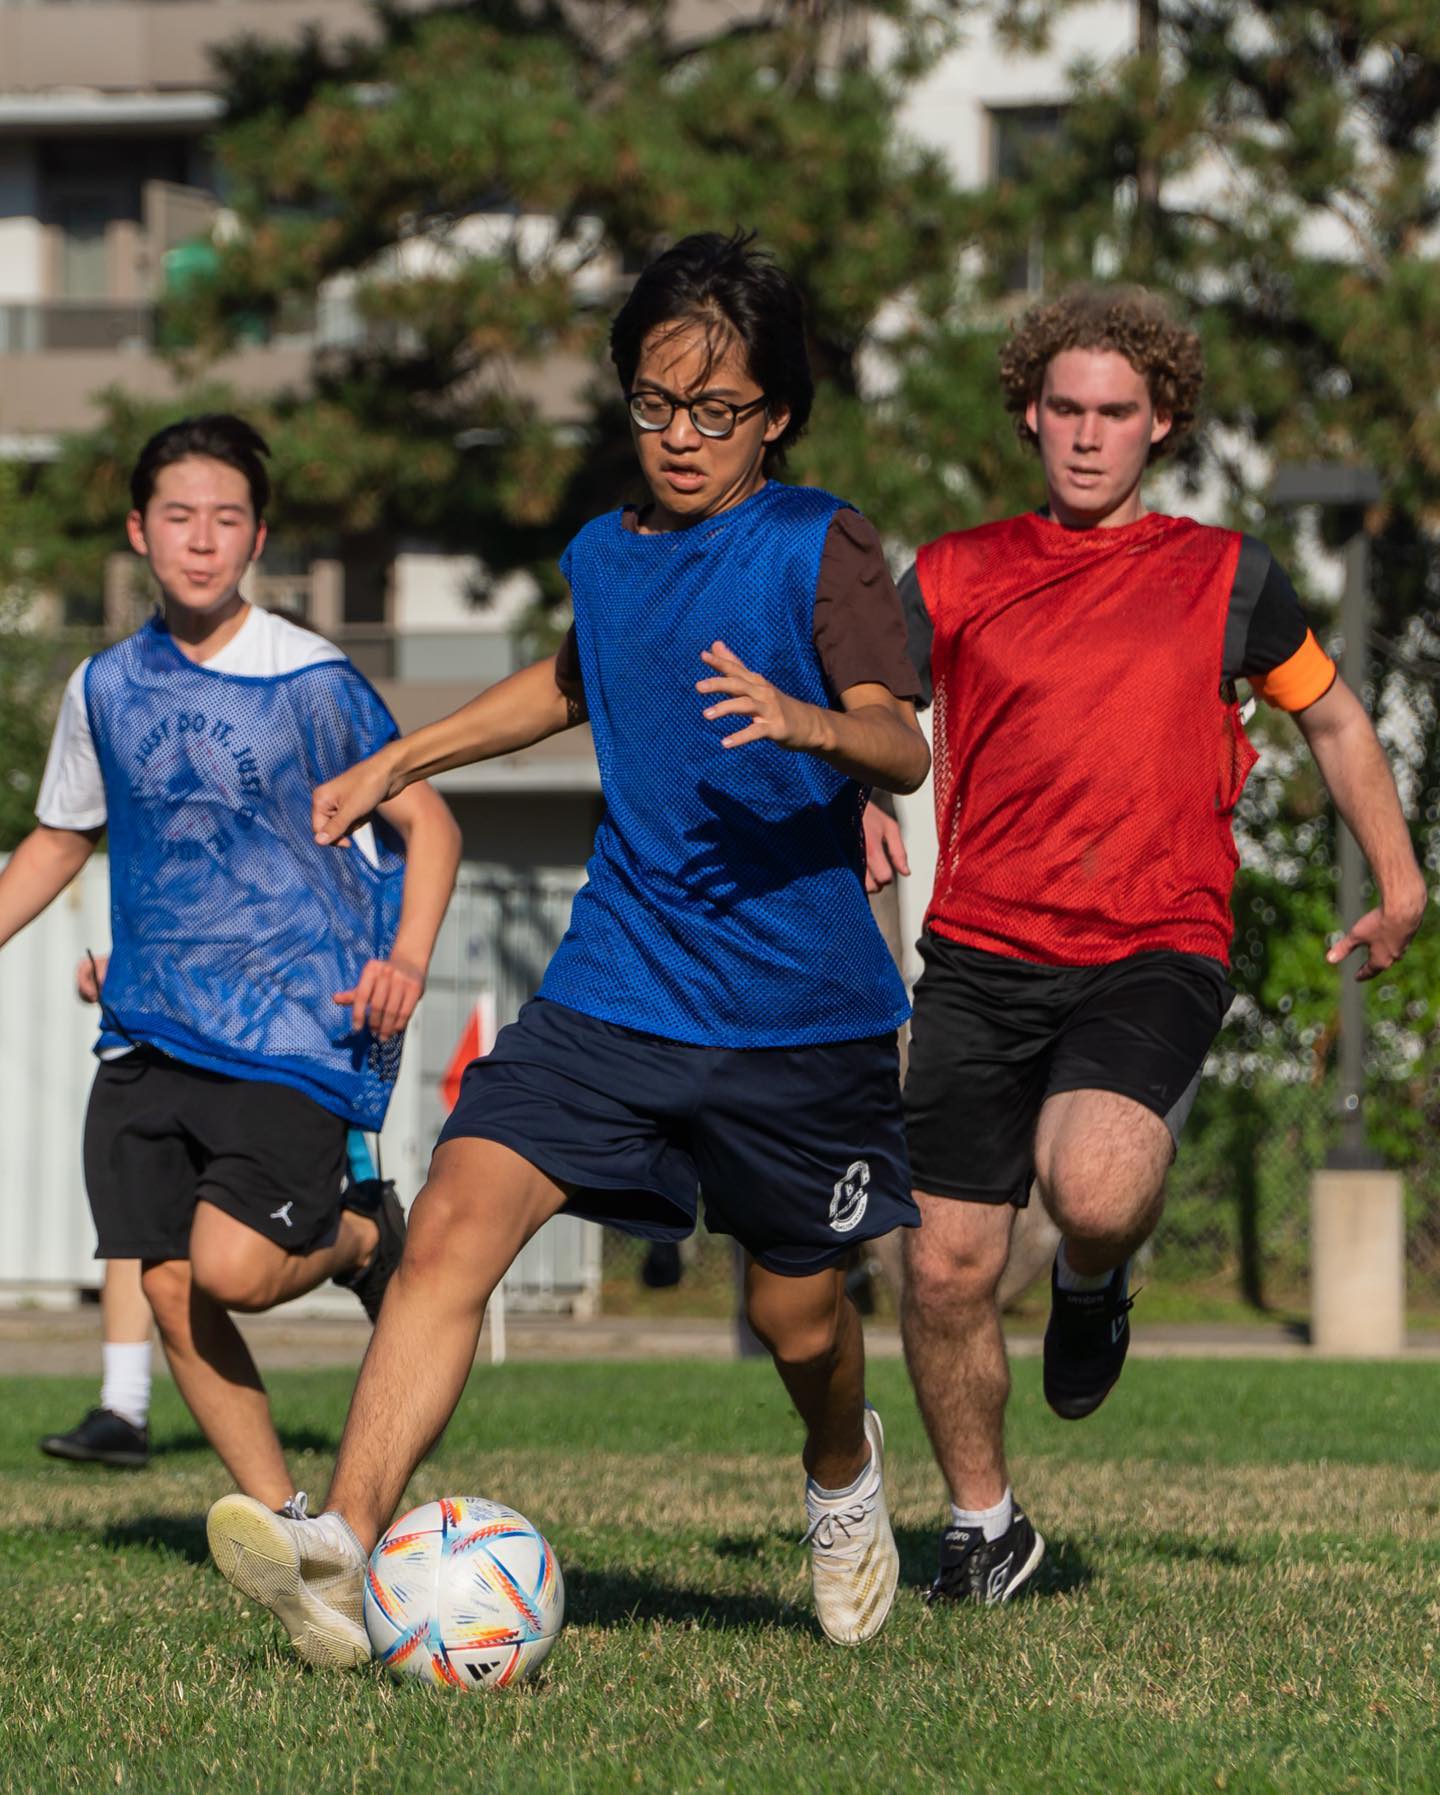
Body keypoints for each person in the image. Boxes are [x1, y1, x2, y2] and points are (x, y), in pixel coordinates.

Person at [206, 230, 930, 1662]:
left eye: (715, 410)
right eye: (655, 403)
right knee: (458, 1223)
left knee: (799, 1317)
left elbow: (899, 741)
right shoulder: (606, 551)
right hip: (619, 981)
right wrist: (395, 759)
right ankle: (340, 1547)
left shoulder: (817, 541)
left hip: (797, 1010)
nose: (680, 436)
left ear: (775, 413)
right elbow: (567, 683)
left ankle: (844, 1476)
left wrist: (807, 725)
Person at [880, 285, 1426, 1607]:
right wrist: (854, 803)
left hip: (1154, 937)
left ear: (1159, 424)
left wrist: (1403, 881)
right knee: (944, 1263)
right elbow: (877, 718)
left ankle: (1091, 1275)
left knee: (1100, 1183)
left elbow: (1342, 723)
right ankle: (984, 1523)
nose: (1086, 435)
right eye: (1064, 407)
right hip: (979, 949)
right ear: (1028, 411)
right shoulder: (953, 572)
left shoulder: (1228, 575)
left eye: (1115, 413)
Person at [0, 414, 461, 1509]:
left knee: (235, 1270)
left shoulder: (312, 678)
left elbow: (430, 826)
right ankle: (289, 1524)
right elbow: (66, 834)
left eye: (225, 519)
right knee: (166, 1283)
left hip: (299, 1024)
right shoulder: (105, 688)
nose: (200, 541)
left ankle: (358, 1236)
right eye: (177, 518)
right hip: (151, 1022)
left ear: (257, 538)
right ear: (137, 533)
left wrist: (407, 958)